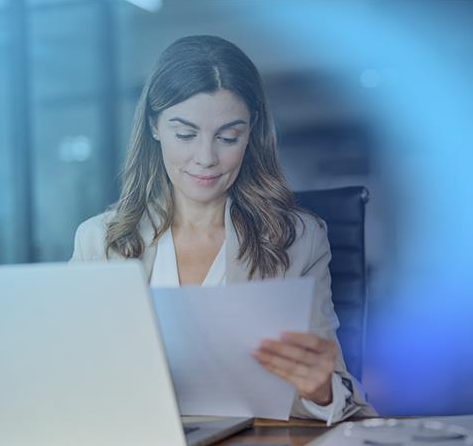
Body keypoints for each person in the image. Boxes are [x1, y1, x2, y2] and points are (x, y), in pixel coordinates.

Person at [69, 35, 375, 423]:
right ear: (154, 126)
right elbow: (73, 381)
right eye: (185, 134)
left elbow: (339, 398)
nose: (206, 158)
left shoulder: (297, 240)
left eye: (228, 137)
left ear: (251, 134)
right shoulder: (100, 241)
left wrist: (319, 389)